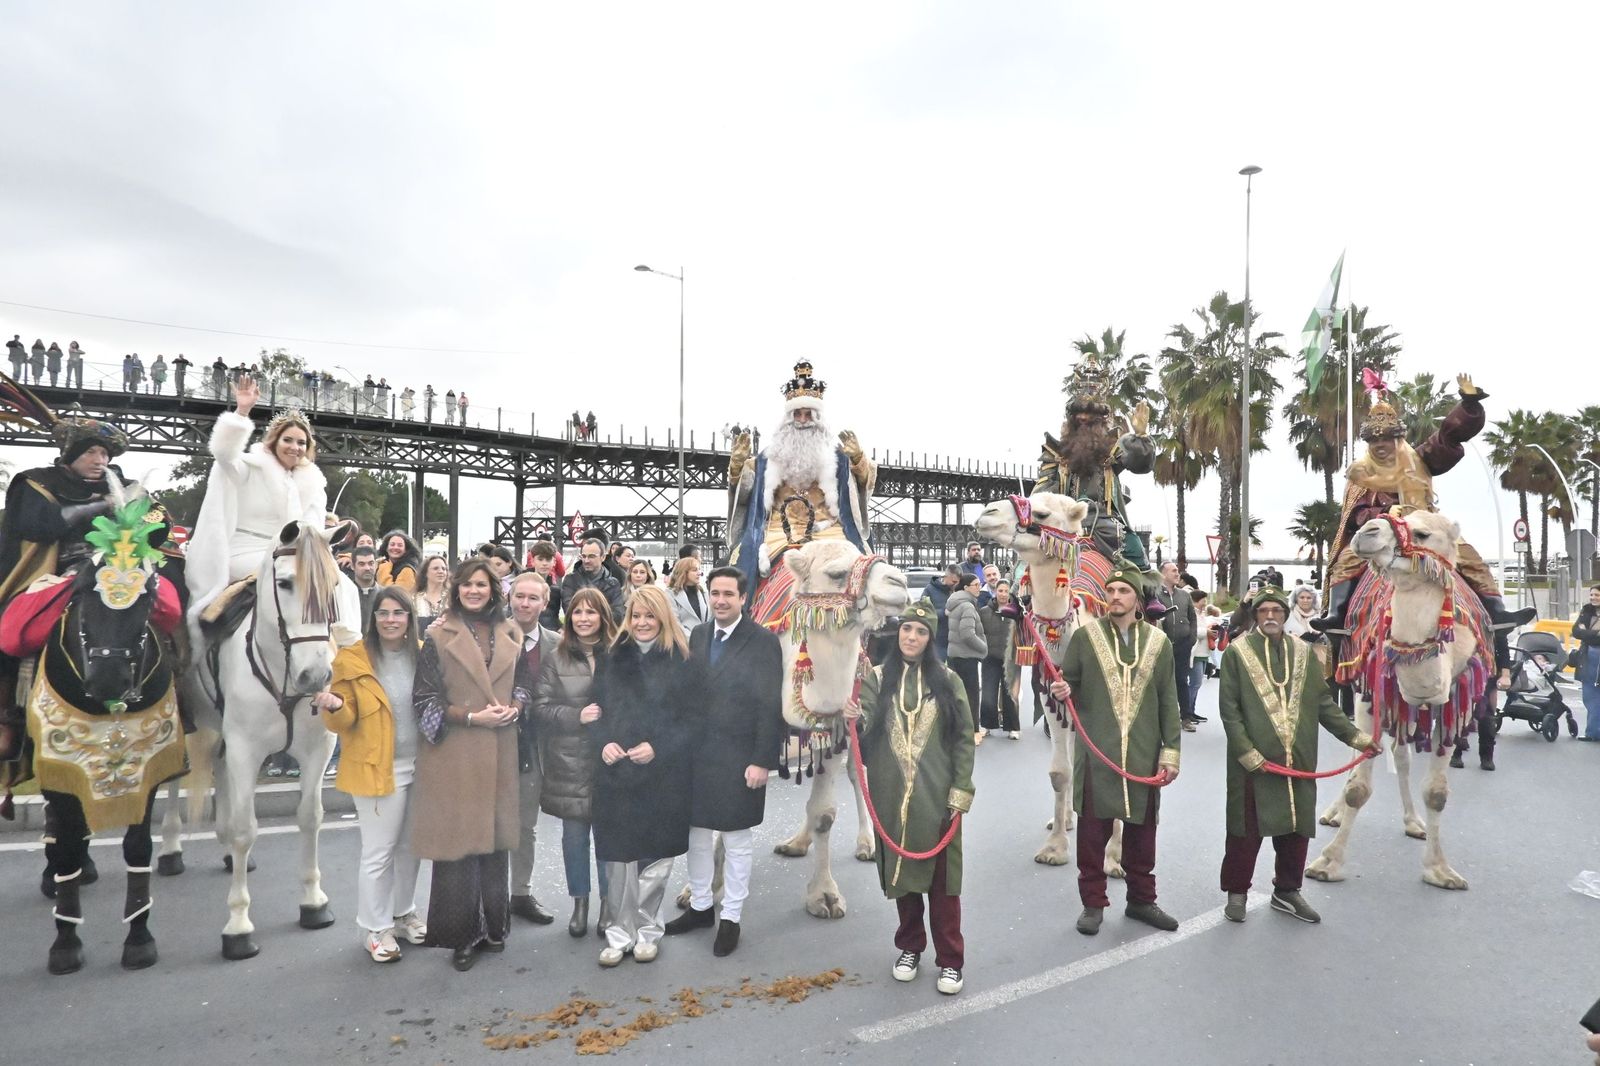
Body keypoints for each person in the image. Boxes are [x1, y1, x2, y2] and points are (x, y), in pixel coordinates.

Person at [1312, 374, 1534, 637]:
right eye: (1374, 440)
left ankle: (1497, 613)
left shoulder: (1419, 459)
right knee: (1347, 560)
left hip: (1424, 528)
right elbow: (1354, 514)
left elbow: (1448, 438)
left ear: (1398, 439)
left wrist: (1469, 405)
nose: (1380, 445)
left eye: (1387, 438)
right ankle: (1336, 618)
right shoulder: (1360, 474)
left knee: (1469, 557)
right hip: (1381, 533)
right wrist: (1383, 512)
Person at [1217, 588, 1377, 924]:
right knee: (1246, 830)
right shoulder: (1237, 653)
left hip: (1299, 760)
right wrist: (1246, 752)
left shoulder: (1304, 652)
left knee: (1295, 828)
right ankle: (1237, 892)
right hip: (1254, 764)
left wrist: (1358, 737)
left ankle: (1287, 891)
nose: (1270, 616)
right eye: (1263, 611)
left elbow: (1323, 705)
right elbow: (1230, 710)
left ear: (1285, 614)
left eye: (1276, 610)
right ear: (1256, 615)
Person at [846, 599, 975, 996]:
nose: (911, 637)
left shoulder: (949, 680)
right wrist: (855, 717)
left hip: (937, 797)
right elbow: (866, 726)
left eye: (920, 632)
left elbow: (964, 739)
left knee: (942, 884)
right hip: (889, 794)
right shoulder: (876, 677)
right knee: (902, 879)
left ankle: (950, 960)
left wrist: (961, 790)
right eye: (906, 629)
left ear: (930, 639)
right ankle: (910, 947)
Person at [410, 559, 534, 971]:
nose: (474, 591)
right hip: (457, 754)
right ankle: (462, 935)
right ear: (457, 589)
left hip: (500, 749)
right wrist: (470, 717)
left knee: (495, 842)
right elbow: (424, 700)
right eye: (467, 585)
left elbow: (525, 684)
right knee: (459, 846)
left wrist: (516, 707)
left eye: (482, 585)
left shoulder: (511, 632)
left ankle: (494, 927)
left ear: (493, 590)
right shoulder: (437, 635)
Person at [1048, 566, 1181, 936]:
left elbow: (1168, 700)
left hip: (1143, 753)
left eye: (1124, 590)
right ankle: (1093, 904)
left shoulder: (1159, 643)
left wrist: (1171, 751)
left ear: (1137, 598)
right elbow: (1069, 685)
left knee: (1142, 834)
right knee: (1092, 836)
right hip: (1097, 755)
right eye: (1111, 590)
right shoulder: (1085, 638)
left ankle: (1142, 900)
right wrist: (1063, 691)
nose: (1116, 596)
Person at [0, 405, 134, 762]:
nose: (100, 460)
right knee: (12, 627)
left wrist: (144, 514)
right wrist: (102, 505)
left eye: (105, 453)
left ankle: (178, 695)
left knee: (171, 605)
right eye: (91, 452)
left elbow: (157, 522)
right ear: (71, 454)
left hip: (122, 570)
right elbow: (38, 526)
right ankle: (8, 716)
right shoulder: (36, 483)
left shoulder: (126, 485)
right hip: (54, 573)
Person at [665, 567, 784, 957]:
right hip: (698, 754)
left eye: (728, 594)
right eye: (714, 593)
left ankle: (730, 917)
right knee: (697, 835)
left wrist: (762, 760)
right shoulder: (699, 635)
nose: (720, 600)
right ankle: (701, 906)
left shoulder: (763, 642)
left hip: (739, 756)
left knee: (736, 839)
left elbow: (770, 705)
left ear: (743, 598)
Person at [315, 587, 429, 962]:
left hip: (422, 765)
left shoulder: (423, 654)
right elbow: (343, 721)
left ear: (410, 618)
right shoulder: (352, 659)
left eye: (398, 613)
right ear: (373, 617)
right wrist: (335, 706)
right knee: (379, 852)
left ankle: (403, 913)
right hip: (377, 767)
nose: (390, 620)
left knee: (411, 847)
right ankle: (375, 929)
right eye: (383, 613)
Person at [590, 586, 696, 966]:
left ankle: (648, 930)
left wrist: (658, 747)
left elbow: (692, 719)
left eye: (650, 615)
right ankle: (619, 933)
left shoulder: (682, 660)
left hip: (662, 776)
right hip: (616, 773)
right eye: (636, 615)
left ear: (663, 617)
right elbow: (595, 710)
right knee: (619, 858)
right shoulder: (611, 657)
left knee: (654, 859)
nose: (642, 623)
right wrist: (603, 743)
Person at [184, 377, 334, 633]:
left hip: (290, 556)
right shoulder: (249, 467)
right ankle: (214, 637)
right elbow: (224, 454)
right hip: (243, 552)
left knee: (337, 580)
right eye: (288, 440)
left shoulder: (314, 483)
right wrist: (241, 413)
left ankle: (333, 642)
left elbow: (313, 531)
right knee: (282, 575)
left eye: (301, 443)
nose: (295, 447)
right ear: (274, 441)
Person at [726, 362, 876, 604]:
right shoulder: (766, 459)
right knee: (740, 569)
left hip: (829, 530)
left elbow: (861, 489)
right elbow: (744, 497)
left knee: (865, 572)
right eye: (798, 414)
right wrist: (736, 469)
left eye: (809, 414)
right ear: (788, 417)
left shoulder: (838, 457)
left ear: (818, 418)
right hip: (777, 532)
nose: (803, 420)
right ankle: (742, 616)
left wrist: (858, 460)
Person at [533, 587, 619, 937]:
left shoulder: (619, 652)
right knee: (574, 838)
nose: (584, 619)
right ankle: (580, 903)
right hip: (569, 758)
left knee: (608, 837)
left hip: (609, 758)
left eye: (591, 612)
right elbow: (539, 708)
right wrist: (575, 716)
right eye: (578, 612)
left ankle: (608, 904)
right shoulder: (556, 657)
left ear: (603, 616)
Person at [1034, 353, 1155, 573]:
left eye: (1090, 415)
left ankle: (1152, 593)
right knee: (1026, 563)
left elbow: (1141, 464)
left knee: (1138, 554)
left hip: (1106, 524)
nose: (1084, 419)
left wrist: (1141, 436)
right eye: (1079, 414)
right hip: (1064, 523)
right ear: (1072, 418)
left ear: (1100, 420)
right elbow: (1040, 494)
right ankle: (1014, 592)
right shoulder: (1055, 452)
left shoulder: (1113, 446)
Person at [508, 572, 559, 925]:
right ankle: (489, 896)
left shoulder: (557, 644)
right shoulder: (490, 637)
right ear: (509, 598)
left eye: (532, 598)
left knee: (526, 826)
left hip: (537, 748)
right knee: (491, 826)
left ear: (545, 603)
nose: (524, 604)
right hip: (495, 745)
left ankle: (520, 893)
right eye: (519, 596)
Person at [1154, 562, 1201, 731]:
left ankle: (1186, 718)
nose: (1177, 574)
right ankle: (1161, 719)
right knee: (1161, 682)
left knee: (1182, 680)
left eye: (1177, 571)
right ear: (1163, 574)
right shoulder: (1154, 594)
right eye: (1173, 571)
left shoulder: (1184, 595)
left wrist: (1192, 638)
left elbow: (1192, 617)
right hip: (1162, 646)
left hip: (1183, 645)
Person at [944, 572, 987, 743]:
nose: (979, 588)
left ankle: (956, 730)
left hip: (954, 655)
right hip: (966, 657)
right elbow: (967, 634)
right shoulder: (967, 606)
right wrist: (983, 647)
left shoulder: (954, 603)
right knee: (971, 695)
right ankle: (973, 731)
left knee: (956, 694)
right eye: (976, 585)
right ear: (966, 587)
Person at [979, 579, 1020, 738]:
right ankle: (986, 725)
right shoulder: (984, 611)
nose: (1003, 594)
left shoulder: (1016, 612)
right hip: (990, 658)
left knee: (1010, 695)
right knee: (988, 694)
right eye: (1000, 591)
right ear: (995, 592)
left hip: (1010, 659)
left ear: (1010, 593)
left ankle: (1013, 728)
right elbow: (979, 633)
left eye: (1006, 591)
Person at [561, 535, 626, 623]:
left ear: (603, 557)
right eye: (584, 556)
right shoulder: (571, 580)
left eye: (591, 556)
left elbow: (618, 615)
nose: (586, 560)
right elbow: (569, 611)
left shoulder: (613, 583)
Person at [919, 566, 962, 663]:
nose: (956, 585)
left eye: (958, 582)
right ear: (945, 577)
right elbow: (923, 611)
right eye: (954, 582)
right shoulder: (930, 590)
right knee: (937, 667)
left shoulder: (959, 590)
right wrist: (943, 612)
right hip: (938, 639)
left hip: (956, 640)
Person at [1574, 585, 1600, 742]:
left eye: (1597, 595)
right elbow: (1575, 631)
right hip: (1588, 656)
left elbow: (1582, 632)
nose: (1593, 598)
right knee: (1589, 695)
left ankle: (1593, 732)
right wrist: (1594, 634)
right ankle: (1593, 732)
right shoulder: (1586, 610)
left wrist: (1586, 632)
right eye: (1592, 595)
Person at [526, 541, 563, 628]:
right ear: (533, 561)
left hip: (549, 632)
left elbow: (554, 617)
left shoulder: (555, 591)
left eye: (548, 559)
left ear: (554, 562)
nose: (544, 563)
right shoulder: (521, 585)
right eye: (540, 559)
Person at [667, 554, 707, 631]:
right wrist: (693, 637)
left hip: (704, 637)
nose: (699, 573)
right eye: (694, 570)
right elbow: (674, 624)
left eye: (699, 569)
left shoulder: (704, 593)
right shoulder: (670, 594)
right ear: (683, 572)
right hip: (682, 637)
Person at [350, 545, 380, 629]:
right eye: (361, 564)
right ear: (352, 566)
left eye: (371, 563)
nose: (367, 568)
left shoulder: (385, 595)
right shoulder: (344, 595)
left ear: (376, 565)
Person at [414, 555, 450, 623]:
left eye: (444, 569)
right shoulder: (414, 598)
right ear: (425, 573)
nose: (441, 571)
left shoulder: (452, 598)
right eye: (435, 568)